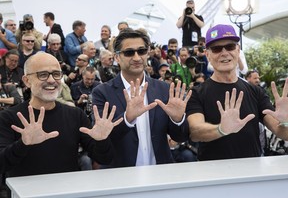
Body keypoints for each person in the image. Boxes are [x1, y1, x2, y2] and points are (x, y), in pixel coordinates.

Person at [0, 52, 122, 178]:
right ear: (27, 81)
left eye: (56, 74)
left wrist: (102, 140)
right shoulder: (8, 117)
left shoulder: (75, 115)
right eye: (43, 75)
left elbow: (104, 159)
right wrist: (23, 144)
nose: (51, 80)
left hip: (67, 191)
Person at [186, 24, 288, 161]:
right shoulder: (197, 93)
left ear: (238, 50)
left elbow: (281, 132)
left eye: (230, 47)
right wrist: (222, 129)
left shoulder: (256, 92)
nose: (224, 53)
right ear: (207, 55)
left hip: (251, 171)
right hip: (212, 173)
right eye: (216, 49)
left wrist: (286, 122)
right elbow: (195, 131)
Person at [92, 28, 192, 168]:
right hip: (121, 178)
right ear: (116, 57)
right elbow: (102, 147)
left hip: (160, 175)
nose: (137, 57)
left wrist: (177, 120)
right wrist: (127, 119)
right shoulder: (102, 93)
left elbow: (180, 137)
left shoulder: (164, 89)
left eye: (142, 51)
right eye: (129, 52)